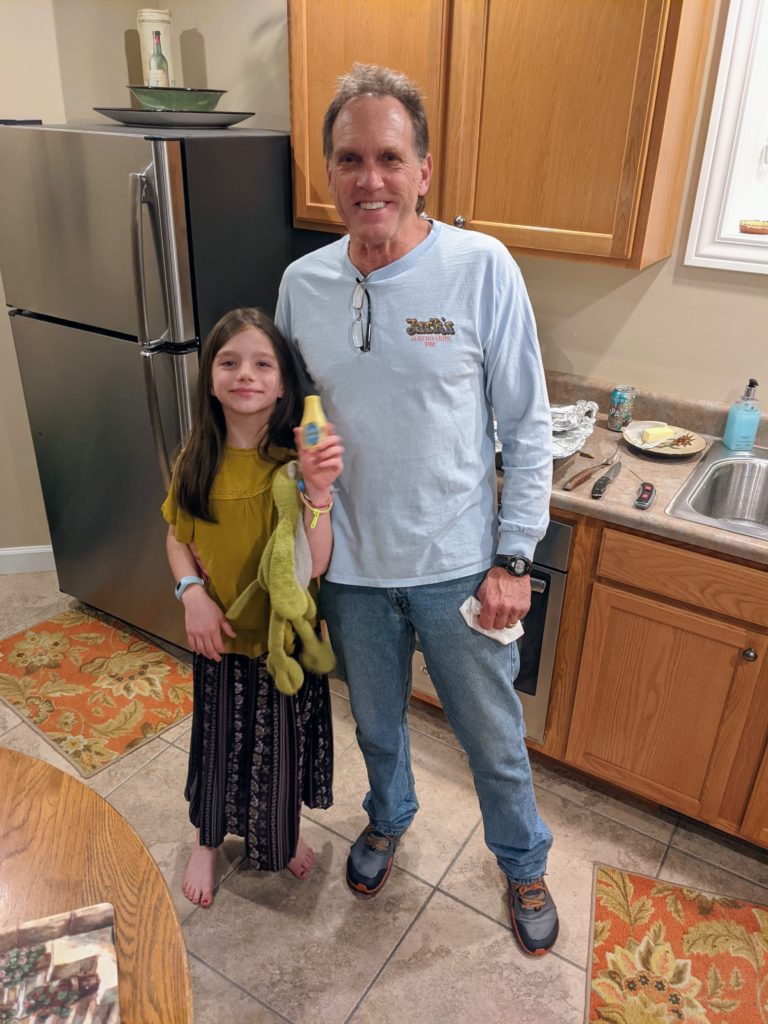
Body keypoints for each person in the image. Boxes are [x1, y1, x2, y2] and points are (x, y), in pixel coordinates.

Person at [275, 64, 559, 956]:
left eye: (390, 158)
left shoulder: (480, 267)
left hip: (459, 569)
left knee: (493, 741)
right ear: (330, 171)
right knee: (377, 726)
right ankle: (389, 817)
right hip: (352, 571)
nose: (371, 180)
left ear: (424, 170)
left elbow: (528, 424)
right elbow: (293, 416)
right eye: (350, 159)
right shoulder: (302, 284)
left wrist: (514, 559)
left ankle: (523, 862)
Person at [162, 307, 344, 908]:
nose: (246, 374)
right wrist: (191, 594)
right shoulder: (195, 460)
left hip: (282, 647)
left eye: (263, 363)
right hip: (220, 639)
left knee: (282, 752)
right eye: (229, 361)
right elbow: (177, 539)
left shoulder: (296, 468)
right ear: (211, 380)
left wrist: (319, 493)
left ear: (284, 383)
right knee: (217, 750)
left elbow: (315, 563)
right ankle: (207, 841)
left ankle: (280, 833)